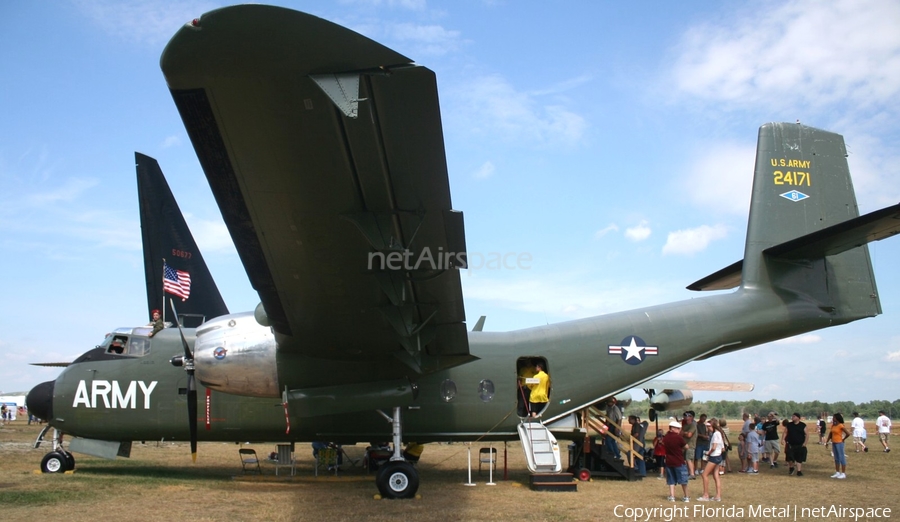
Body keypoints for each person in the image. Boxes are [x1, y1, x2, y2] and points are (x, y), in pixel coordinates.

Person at [697, 418, 725, 502]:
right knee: (716, 476)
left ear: (712, 425)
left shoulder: (716, 434)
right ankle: (718, 496)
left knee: (704, 474)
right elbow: (723, 448)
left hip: (714, 456)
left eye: (708, 426)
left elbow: (714, 447)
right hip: (718, 456)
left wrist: (708, 453)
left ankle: (706, 495)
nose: (707, 428)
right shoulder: (719, 433)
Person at [662, 420, 690, 502]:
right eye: (678, 429)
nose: (679, 430)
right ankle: (686, 496)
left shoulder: (666, 438)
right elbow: (687, 447)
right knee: (683, 480)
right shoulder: (678, 438)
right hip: (679, 461)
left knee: (671, 480)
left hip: (669, 461)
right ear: (673, 428)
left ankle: (672, 496)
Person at [829, 413, 852, 479]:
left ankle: (843, 473)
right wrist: (828, 441)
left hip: (839, 443)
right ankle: (837, 472)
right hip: (834, 442)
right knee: (836, 458)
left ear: (836, 418)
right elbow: (831, 433)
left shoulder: (840, 425)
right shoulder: (833, 425)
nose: (832, 418)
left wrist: (843, 439)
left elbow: (848, 433)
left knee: (841, 457)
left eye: (833, 417)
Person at [681, 411, 698, 478]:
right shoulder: (685, 426)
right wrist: (685, 433)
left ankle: (692, 474)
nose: (686, 417)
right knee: (685, 459)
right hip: (684, 445)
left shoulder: (693, 426)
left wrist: (684, 433)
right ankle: (688, 472)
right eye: (685, 416)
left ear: (691, 417)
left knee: (689, 459)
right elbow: (680, 434)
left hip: (690, 445)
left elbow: (689, 435)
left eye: (688, 416)